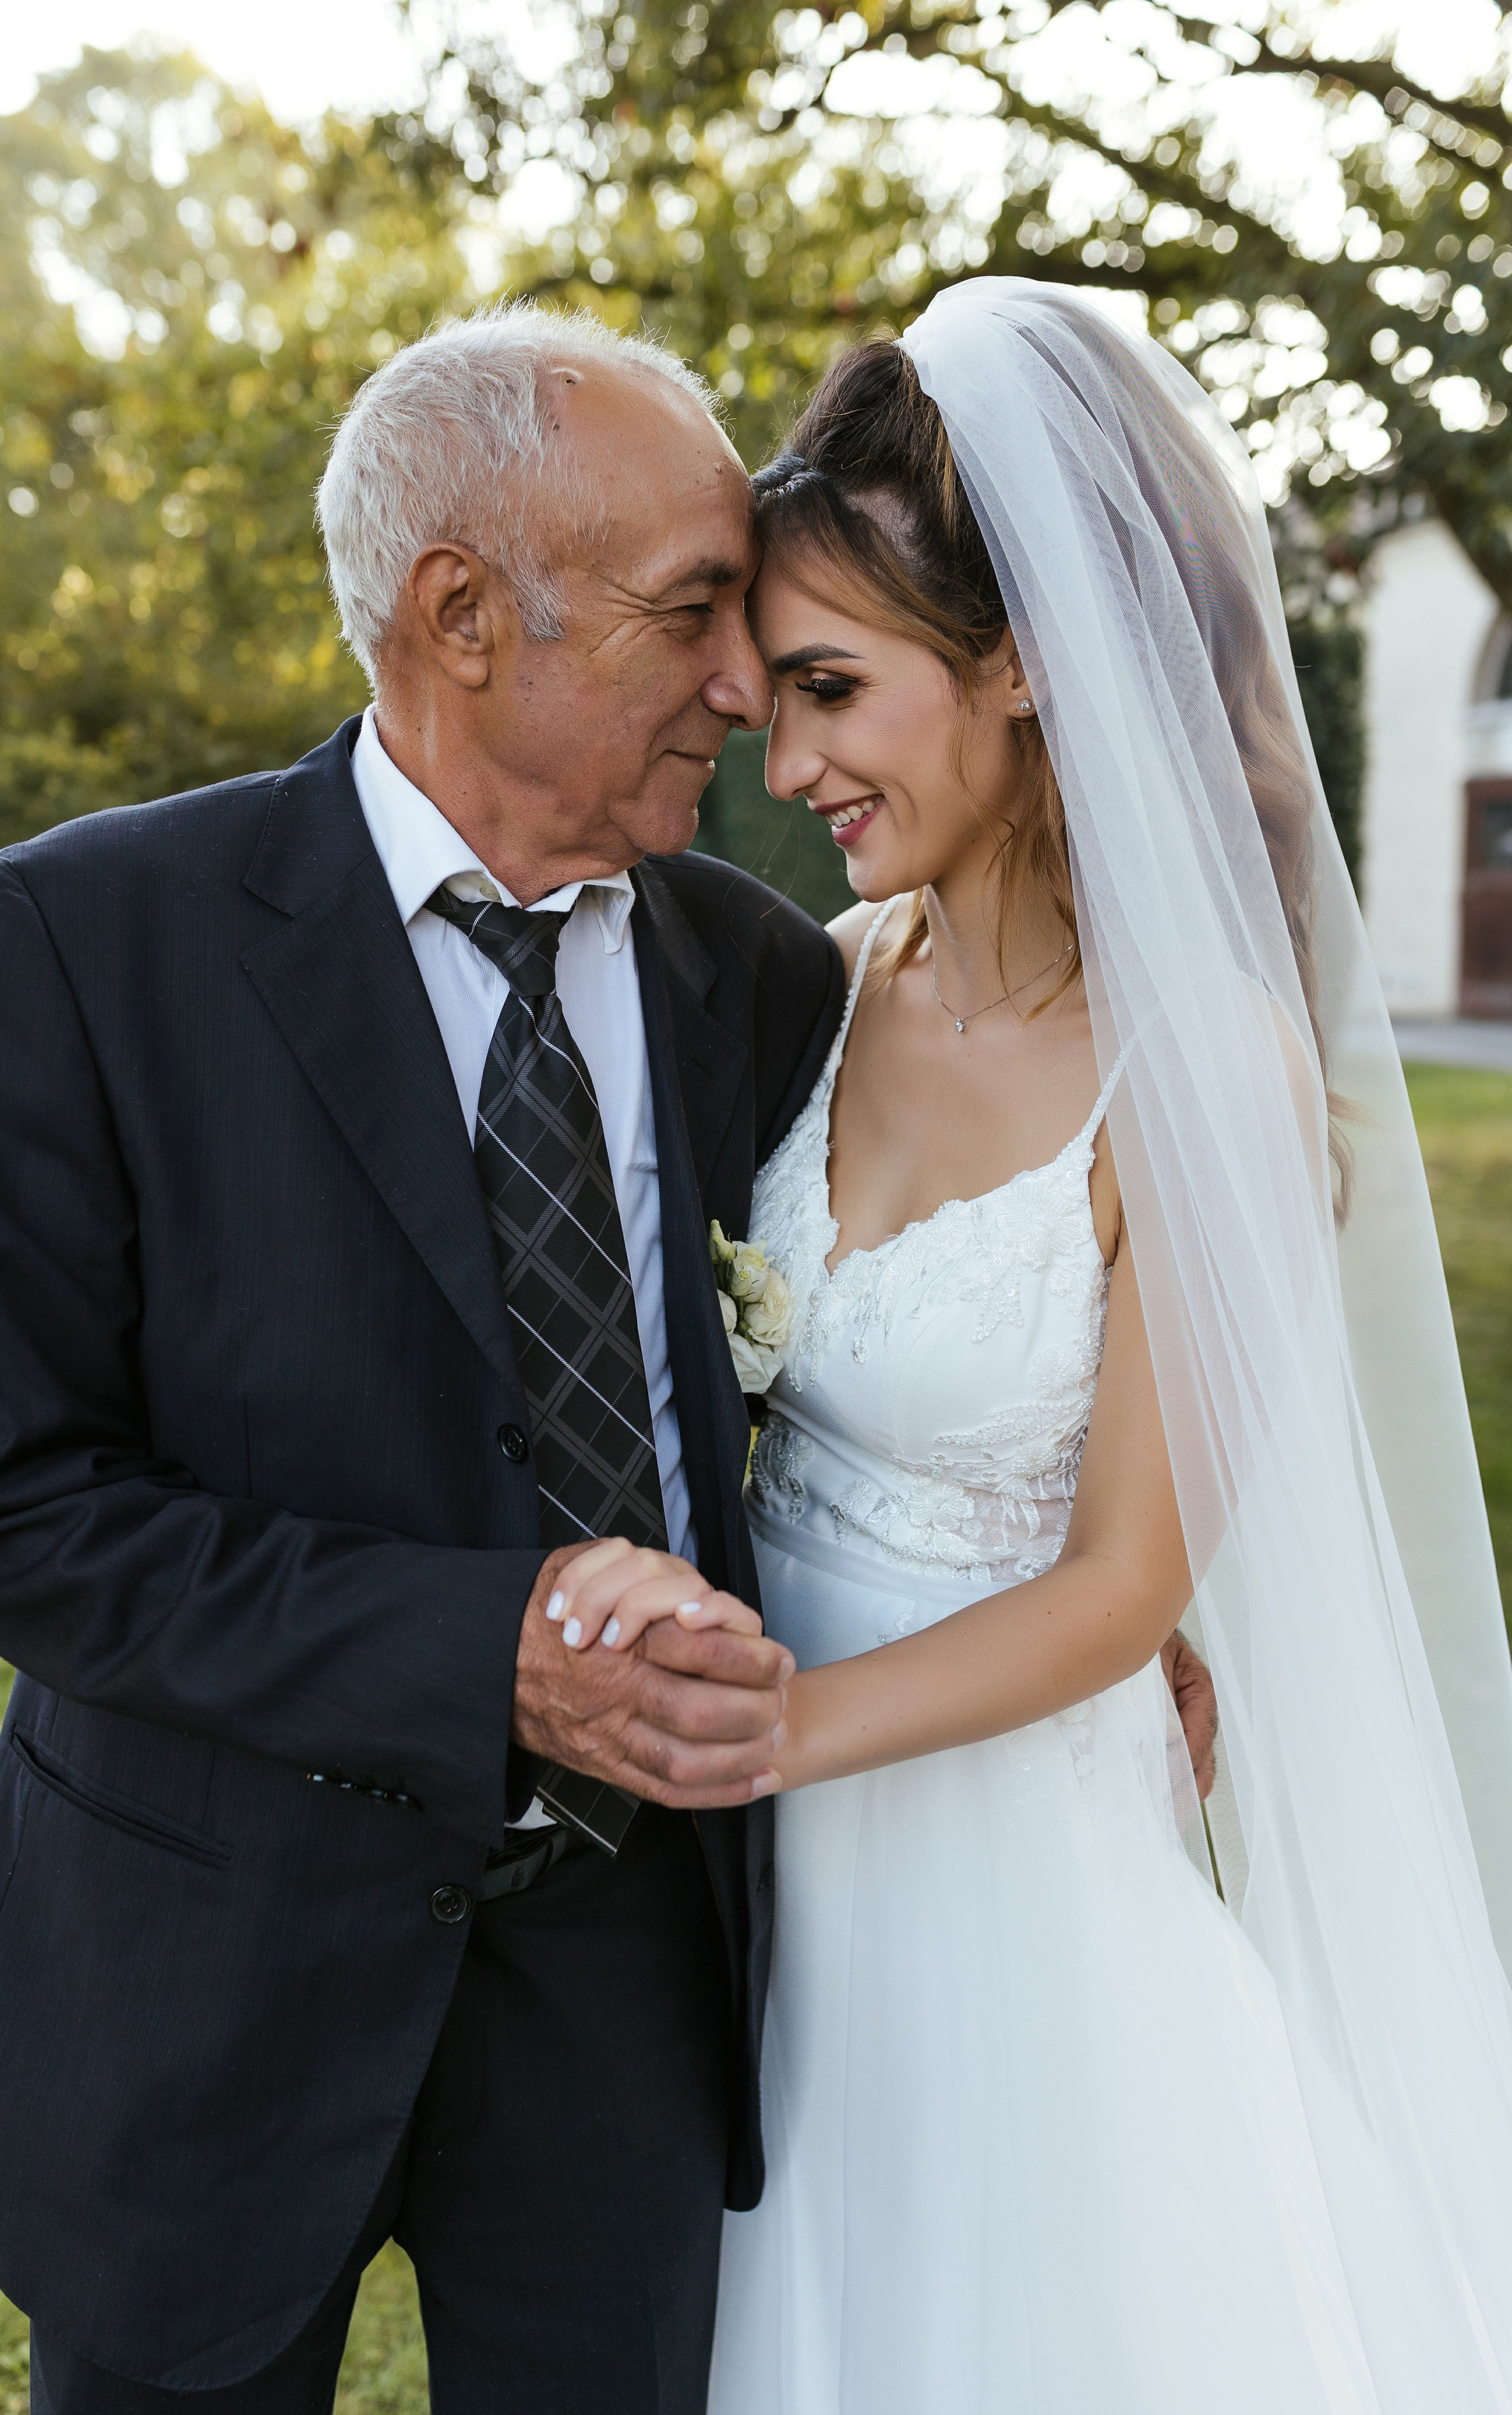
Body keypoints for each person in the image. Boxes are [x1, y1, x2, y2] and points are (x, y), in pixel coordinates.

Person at [574, 284, 1512, 2409]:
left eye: (830, 689)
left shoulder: (1206, 1073)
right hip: (751, 1900)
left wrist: (773, 1737)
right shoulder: (819, 980)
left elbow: (1120, 1593)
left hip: (997, 1885)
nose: (782, 756)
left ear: (1023, 667)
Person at [0, 307, 835, 2415]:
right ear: (460, 612)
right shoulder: (90, 941)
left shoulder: (753, 976)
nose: (743, 686)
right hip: (203, 1958)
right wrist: (476, 1653)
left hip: (632, 1974)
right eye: (696, 611)